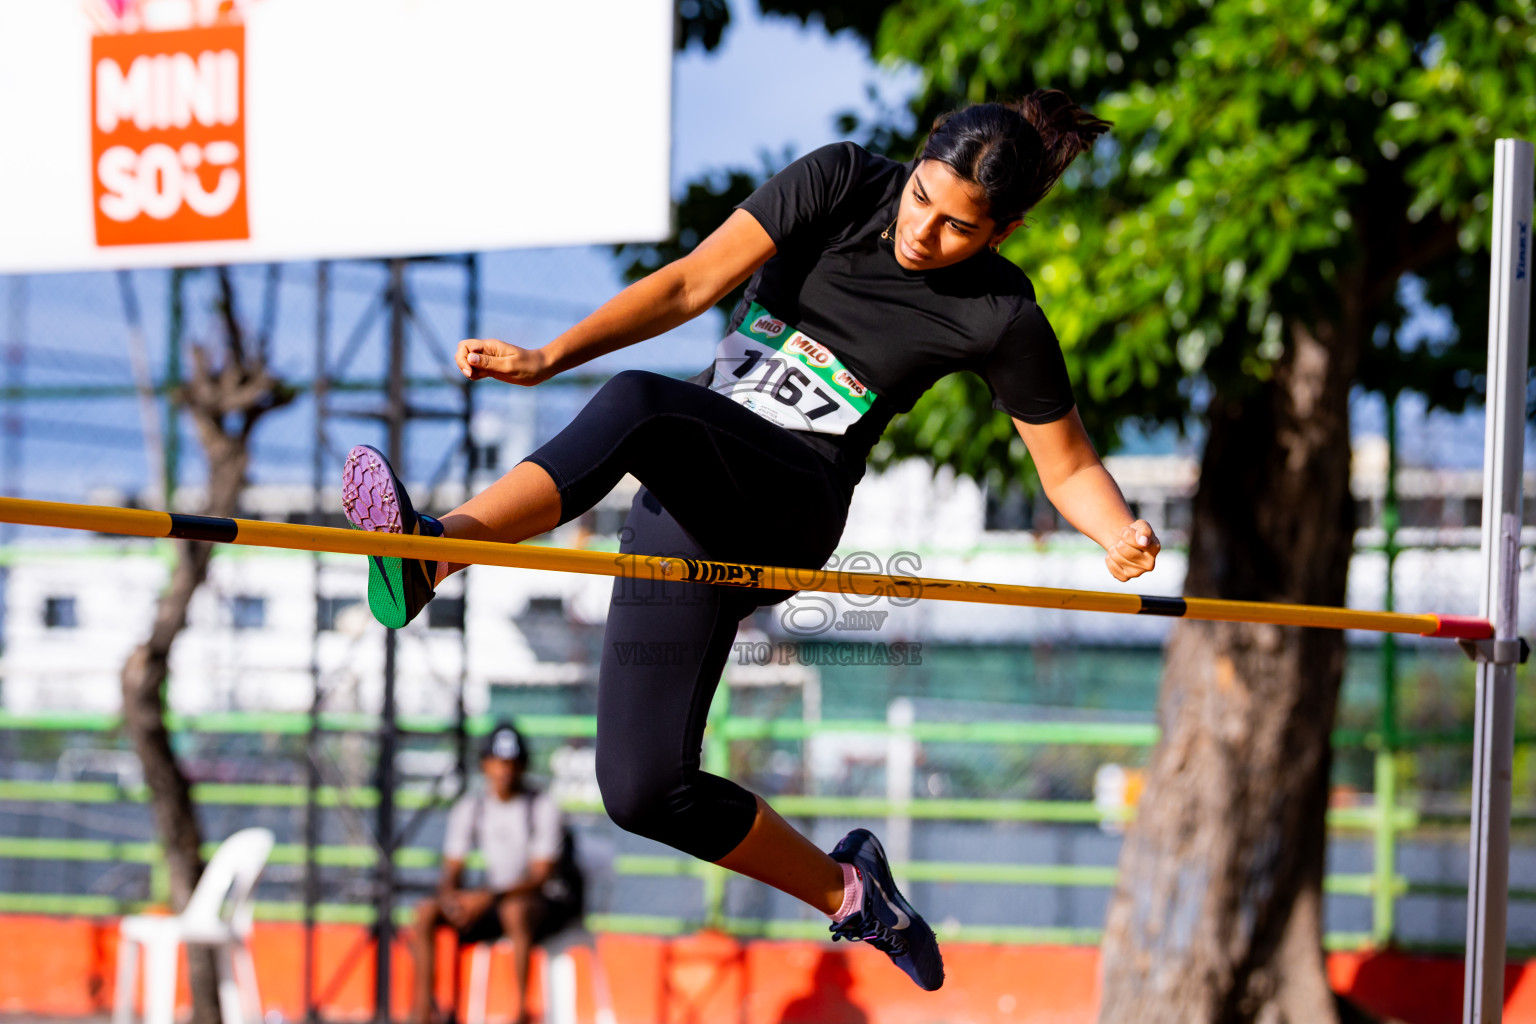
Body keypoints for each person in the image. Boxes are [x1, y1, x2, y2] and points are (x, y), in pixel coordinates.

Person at [346, 90, 1160, 993]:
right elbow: (692, 283)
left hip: (791, 503)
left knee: (641, 403)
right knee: (643, 789)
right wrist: (548, 358)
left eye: (958, 228)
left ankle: (438, 549)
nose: (924, 233)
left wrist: (1117, 532)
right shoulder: (844, 180)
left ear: (1000, 234)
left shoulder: (1000, 313)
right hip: (688, 498)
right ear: (916, 164)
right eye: (923, 198)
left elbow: (1068, 466)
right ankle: (854, 892)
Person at [407, 722, 581, 1024]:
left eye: (512, 763)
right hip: (492, 901)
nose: (505, 771)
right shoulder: (472, 806)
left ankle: (521, 1012)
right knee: (426, 913)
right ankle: (424, 1012)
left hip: (541, 904)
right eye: (498, 763)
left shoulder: (542, 806)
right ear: (485, 765)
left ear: (523, 766)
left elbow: (540, 876)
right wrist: (451, 900)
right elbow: (452, 867)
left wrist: (487, 897)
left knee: (515, 911)